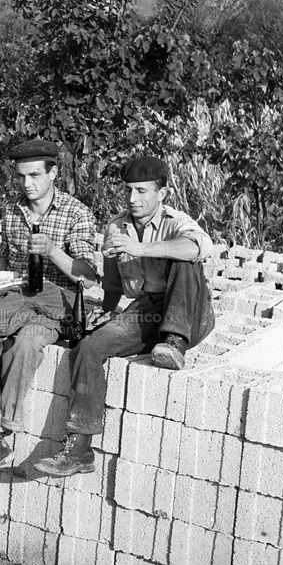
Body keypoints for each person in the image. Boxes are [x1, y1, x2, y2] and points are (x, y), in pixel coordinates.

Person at [36, 154, 215, 478]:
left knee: (185, 260)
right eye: (129, 190)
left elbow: (199, 247)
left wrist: (141, 248)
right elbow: (115, 285)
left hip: (190, 313)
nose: (134, 199)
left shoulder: (176, 222)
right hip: (146, 312)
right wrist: (105, 313)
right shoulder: (117, 226)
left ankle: (174, 342)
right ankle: (79, 449)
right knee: (88, 348)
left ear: (161, 194)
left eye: (142, 191)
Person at [0, 139, 97, 479]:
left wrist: (54, 250)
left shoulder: (76, 213)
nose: (27, 184)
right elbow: (4, 259)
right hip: (13, 296)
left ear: (53, 173)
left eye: (34, 176)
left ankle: (6, 429)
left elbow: (87, 277)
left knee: (26, 345)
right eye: (21, 177)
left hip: (55, 306)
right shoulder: (13, 211)